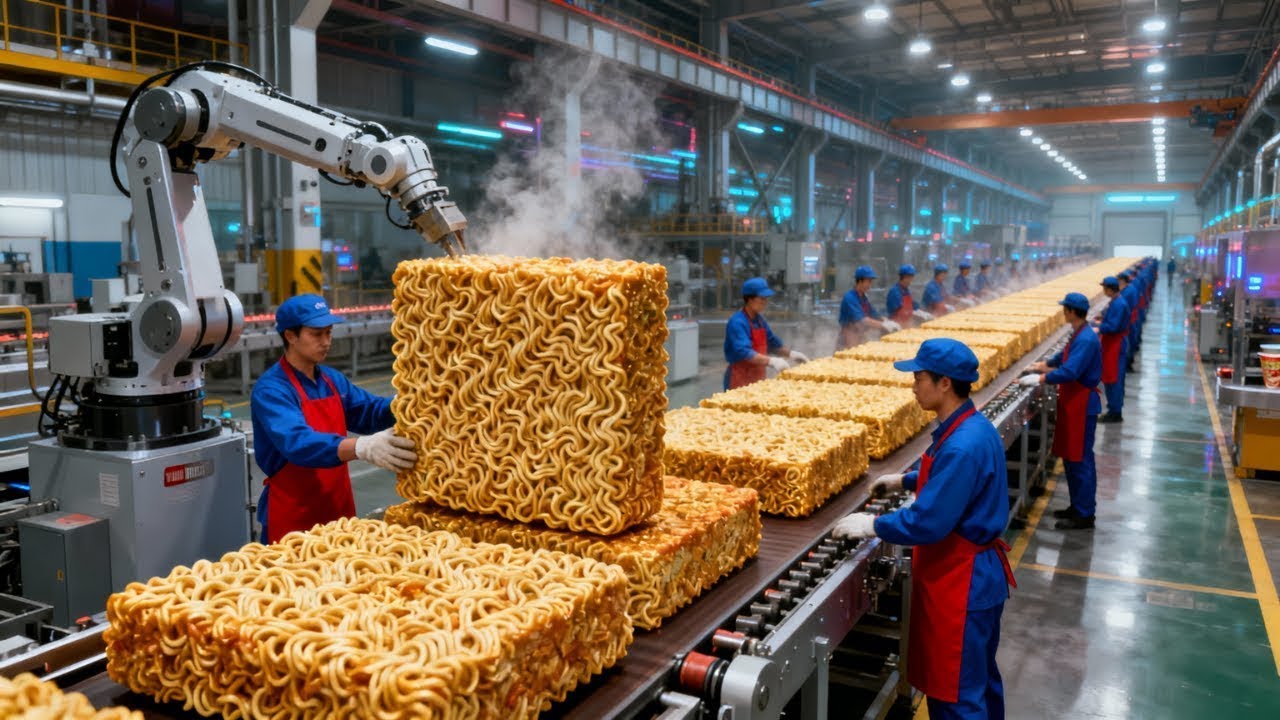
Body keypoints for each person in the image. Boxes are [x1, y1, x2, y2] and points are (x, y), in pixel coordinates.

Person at [833, 338, 1015, 720]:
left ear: (944, 383)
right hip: (976, 580)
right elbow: (956, 482)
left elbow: (928, 522)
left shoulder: (962, 445)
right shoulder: (968, 428)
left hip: (961, 584)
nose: (913, 387)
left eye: (919, 378)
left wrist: (873, 524)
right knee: (979, 683)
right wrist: (908, 482)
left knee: (955, 696)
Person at [251, 294, 418, 543]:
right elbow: (298, 443)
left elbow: (369, 412)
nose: (326, 342)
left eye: (329, 333)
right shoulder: (272, 390)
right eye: (316, 334)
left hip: (337, 511)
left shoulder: (331, 380)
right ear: (290, 336)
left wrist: (409, 402)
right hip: (294, 517)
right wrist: (360, 447)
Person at [1021, 292, 1102, 530]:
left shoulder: (1086, 339)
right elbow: (1064, 356)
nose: (1062, 312)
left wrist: (1041, 378)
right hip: (1072, 402)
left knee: (1081, 460)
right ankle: (1077, 506)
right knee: (1071, 457)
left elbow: (1071, 372)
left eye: (1064, 309)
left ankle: (1085, 514)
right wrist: (1044, 364)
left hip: (1082, 404)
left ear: (1072, 312)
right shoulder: (1080, 333)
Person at [724, 277, 808, 389]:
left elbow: (772, 344)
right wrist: (771, 361)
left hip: (758, 377)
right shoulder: (737, 322)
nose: (765, 302)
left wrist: (792, 354)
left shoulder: (759, 320)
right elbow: (744, 352)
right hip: (739, 378)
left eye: (766, 298)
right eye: (762, 298)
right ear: (750, 299)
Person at [1095, 276, 1130, 423]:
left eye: (1104, 288)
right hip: (1111, 344)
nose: (1103, 290)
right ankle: (1113, 408)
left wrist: (1098, 328)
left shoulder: (1119, 304)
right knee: (1111, 378)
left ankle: (1115, 412)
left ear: (1110, 289)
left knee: (1114, 379)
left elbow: (1113, 326)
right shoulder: (1116, 302)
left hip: (1115, 345)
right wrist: (1102, 318)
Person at [839, 265, 900, 349]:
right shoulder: (850, 298)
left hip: (860, 335)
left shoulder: (863, 297)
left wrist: (886, 320)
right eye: (868, 281)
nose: (870, 285)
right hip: (849, 336)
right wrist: (883, 325)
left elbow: (873, 313)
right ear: (860, 281)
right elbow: (862, 320)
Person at [1118, 271, 1141, 372]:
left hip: (1128, 320)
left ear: (1123, 281)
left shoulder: (1127, 292)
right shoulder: (1130, 288)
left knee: (1128, 343)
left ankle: (1128, 364)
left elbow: (1121, 308)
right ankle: (1129, 362)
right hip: (1132, 318)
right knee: (1131, 341)